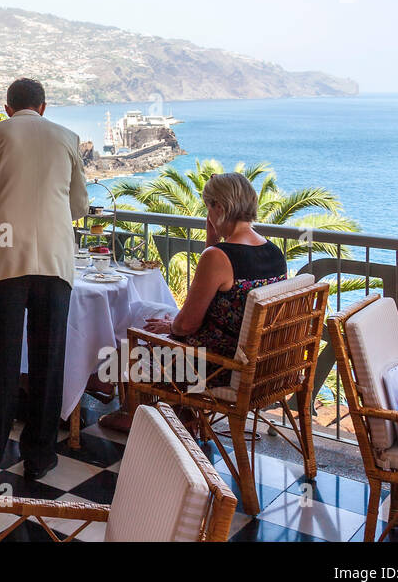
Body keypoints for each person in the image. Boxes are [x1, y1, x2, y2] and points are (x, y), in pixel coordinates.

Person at [0, 77, 87, 489]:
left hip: (3, 265)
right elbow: (79, 207)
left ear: (8, 108)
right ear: (44, 107)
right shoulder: (67, 137)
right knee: (49, 362)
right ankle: (40, 458)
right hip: (54, 263)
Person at [100, 173, 288, 432]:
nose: (208, 214)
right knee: (152, 313)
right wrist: (212, 242)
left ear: (219, 208)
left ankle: (134, 413)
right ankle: (182, 413)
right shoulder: (274, 252)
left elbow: (187, 325)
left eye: (208, 207)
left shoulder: (219, 258)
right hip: (257, 362)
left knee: (136, 336)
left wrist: (170, 327)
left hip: (214, 367)